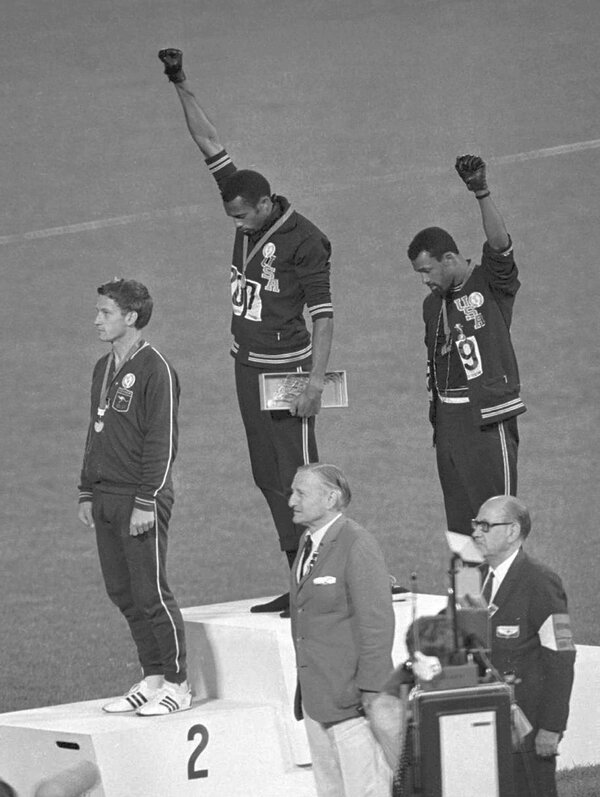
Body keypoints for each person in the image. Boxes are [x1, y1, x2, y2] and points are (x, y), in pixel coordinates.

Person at [158, 49, 334, 616]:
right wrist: (180, 81)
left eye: (241, 216)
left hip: (288, 371)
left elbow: (324, 315)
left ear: (265, 203)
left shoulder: (306, 241)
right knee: (267, 475)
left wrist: (314, 382)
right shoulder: (244, 202)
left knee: (302, 476)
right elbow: (208, 141)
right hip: (247, 366)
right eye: (231, 216)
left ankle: (327, 581)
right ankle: (299, 580)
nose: (235, 223)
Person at [78, 278, 191, 715]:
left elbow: (162, 441)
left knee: (151, 593)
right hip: (105, 495)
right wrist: (86, 489)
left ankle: (178, 684)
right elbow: (96, 429)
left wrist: (147, 500)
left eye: (105, 312)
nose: (96, 320)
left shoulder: (155, 369)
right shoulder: (102, 367)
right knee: (122, 593)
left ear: (131, 316)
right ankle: (153, 676)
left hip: (140, 499)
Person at [408, 156, 526, 536]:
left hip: (486, 419)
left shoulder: (490, 284)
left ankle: (500, 579)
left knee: (496, 523)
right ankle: (467, 580)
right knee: (461, 532)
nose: (424, 281)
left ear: (449, 259)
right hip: (448, 425)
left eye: (427, 271)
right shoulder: (431, 306)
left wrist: (481, 192)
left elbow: (500, 245)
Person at [288, 463, 394, 797]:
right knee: (329, 789)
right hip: (316, 696)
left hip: (353, 700)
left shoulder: (357, 543)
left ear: (331, 498)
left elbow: (377, 624)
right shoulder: (308, 542)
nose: (291, 501)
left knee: (366, 790)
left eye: (300, 493)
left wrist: (372, 690)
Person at [471, 495, 576, 796]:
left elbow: (561, 659)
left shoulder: (541, 582)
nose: (476, 532)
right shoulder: (471, 577)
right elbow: (453, 636)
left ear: (512, 531)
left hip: (527, 728)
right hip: (479, 721)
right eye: (475, 524)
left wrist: (551, 727)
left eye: (485, 525)